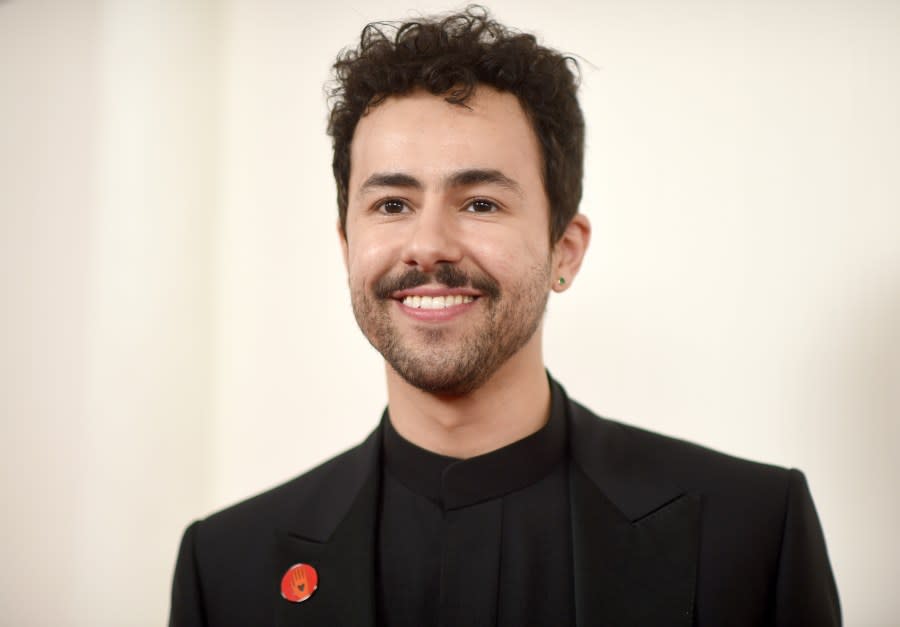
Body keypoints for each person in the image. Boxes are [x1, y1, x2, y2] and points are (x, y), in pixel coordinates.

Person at [169, 7, 840, 626]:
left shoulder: (751, 532)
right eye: (392, 204)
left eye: (481, 202)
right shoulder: (226, 567)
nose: (428, 244)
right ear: (347, 246)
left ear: (564, 250)